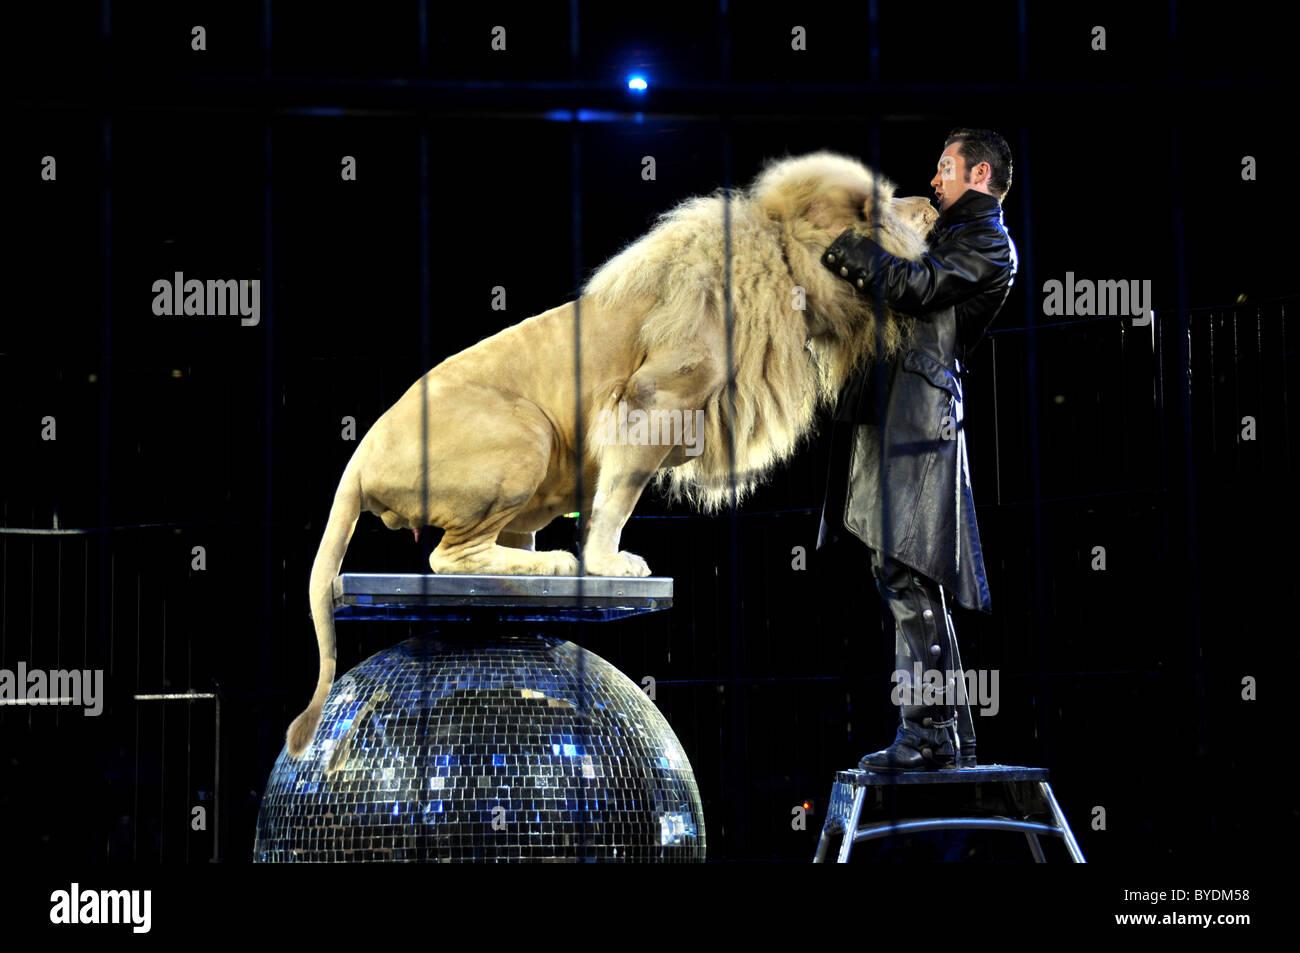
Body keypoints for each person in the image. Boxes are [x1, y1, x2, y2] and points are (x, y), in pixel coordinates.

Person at [816, 128, 1018, 770]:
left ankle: (929, 732)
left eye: (946, 167)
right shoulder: (949, 232)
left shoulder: (987, 241)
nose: (935, 179)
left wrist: (847, 246)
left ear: (980, 176)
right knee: (903, 573)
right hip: (894, 410)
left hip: (919, 420)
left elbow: (915, 289)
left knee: (904, 571)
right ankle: (947, 731)